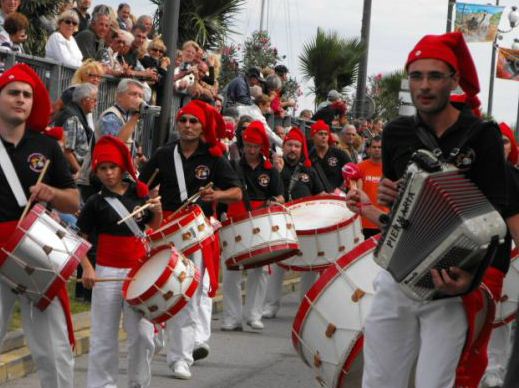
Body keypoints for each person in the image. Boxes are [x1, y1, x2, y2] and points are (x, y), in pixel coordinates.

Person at [355, 32, 507, 388]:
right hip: (396, 275)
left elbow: (496, 217)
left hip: (449, 286)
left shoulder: (481, 135)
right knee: (379, 379)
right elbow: (397, 216)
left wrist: (472, 278)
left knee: (434, 383)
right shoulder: (396, 132)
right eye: (416, 76)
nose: (423, 86)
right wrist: (387, 198)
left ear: (453, 80)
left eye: (435, 76)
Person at [139, 100, 242, 380]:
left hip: (195, 232)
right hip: (165, 229)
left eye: (193, 122)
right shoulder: (163, 154)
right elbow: (140, 185)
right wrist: (148, 200)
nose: (187, 126)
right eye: (183, 121)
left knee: (186, 295)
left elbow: (236, 192)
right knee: (157, 289)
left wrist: (217, 196)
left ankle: (181, 358)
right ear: (177, 124)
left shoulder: (213, 157)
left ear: (202, 127)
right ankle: (155, 341)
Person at [0, 63, 80, 387]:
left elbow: (74, 200)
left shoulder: (46, 146)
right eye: (13, 93)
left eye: (26, 95)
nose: (20, 99)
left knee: (54, 350)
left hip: (36, 250)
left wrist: (52, 193)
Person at [77, 135, 161, 388]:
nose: (108, 173)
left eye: (112, 167)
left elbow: (153, 228)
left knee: (143, 335)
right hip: (106, 272)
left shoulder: (140, 195)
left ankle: (139, 382)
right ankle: (102, 384)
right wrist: (88, 268)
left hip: (139, 272)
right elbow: (80, 241)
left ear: (122, 168)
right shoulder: (94, 202)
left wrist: (156, 211)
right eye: (102, 169)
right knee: (103, 334)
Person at [221, 121, 284, 331]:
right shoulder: (233, 166)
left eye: (255, 146)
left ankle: (254, 314)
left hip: (260, 221)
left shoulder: (271, 171)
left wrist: (276, 202)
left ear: (262, 148)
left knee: (260, 271)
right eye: (248, 145)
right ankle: (232, 317)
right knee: (232, 272)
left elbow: (280, 196)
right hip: (236, 220)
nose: (251, 150)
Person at [263, 127, 325, 319]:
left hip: (306, 225)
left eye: (297, 146)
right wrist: (278, 171)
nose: (292, 149)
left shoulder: (310, 170)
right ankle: (271, 305)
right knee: (278, 265)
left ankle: (304, 306)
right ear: (284, 146)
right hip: (281, 224)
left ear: (301, 148)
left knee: (309, 267)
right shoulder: (274, 168)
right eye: (289, 144)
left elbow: (321, 195)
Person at [53, 83, 98, 180]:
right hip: (71, 175)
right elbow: (67, 151)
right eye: (94, 100)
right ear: (84, 100)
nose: (96, 103)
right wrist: (81, 173)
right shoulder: (72, 118)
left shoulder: (77, 115)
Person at [308, 119, 351, 193]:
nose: (324, 137)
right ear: (313, 136)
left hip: (338, 197)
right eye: (320, 134)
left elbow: (353, 174)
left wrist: (344, 189)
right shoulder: (309, 157)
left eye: (326, 134)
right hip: (317, 199)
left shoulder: (339, 154)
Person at [355, 135, 386, 238]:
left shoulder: (390, 168)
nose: (377, 149)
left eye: (380, 147)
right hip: (364, 221)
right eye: (374, 147)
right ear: (369, 149)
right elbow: (355, 192)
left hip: (383, 219)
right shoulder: (360, 167)